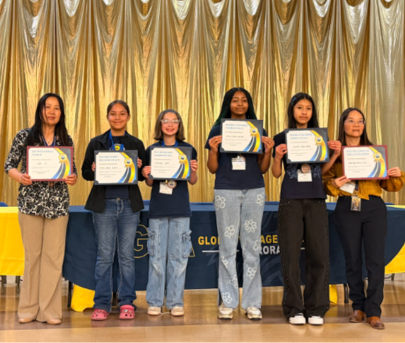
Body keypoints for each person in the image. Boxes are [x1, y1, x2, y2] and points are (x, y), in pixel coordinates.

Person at [323, 107, 405, 330]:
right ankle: (358, 307)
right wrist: (334, 183)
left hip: (374, 207)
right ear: (343, 125)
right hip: (346, 207)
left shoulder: (374, 152)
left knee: (376, 260)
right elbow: (325, 182)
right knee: (352, 260)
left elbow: (388, 185)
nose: (356, 125)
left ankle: (374, 311)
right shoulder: (335, 152)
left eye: (360, 121)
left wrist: (395, 175)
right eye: (351, 121)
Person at [4, 93, 77, 325]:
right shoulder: (25, 136)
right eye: (48, 107)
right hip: (29, 203)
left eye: (57, 108)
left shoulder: (66, 138)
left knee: (53, 258)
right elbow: (9, 166)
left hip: (58, 206)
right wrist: (21, 177)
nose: (52, 112)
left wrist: (72, 178)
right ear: (40, 109)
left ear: (61, 113)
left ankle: (50, 311)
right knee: (32, 257)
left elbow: (71, 171)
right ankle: (28, 308)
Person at [271, 92, 340, 326]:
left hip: (317, 200)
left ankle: (317, 307)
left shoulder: (320, 136)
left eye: (308, 108)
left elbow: (322, 170)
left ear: (313, 112)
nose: (304, 112)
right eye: (299, 107)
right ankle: (294, 309)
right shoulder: (282, 137)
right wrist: (277, 157)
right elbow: (276, 174)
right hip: (290, 199)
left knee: (319, 254)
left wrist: (336, 155)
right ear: (292, 111)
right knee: (290, 256)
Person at [205, 87, 274, 320]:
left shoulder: (258, 130)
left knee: (252, 248)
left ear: (249, 104)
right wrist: (213, 149)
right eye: (235, 100)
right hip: (226, 191)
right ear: (228, 104)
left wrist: (268, 152)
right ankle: (228, 301)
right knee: (227, 248)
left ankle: (253, 303)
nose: (240, 104)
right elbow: (212, 168)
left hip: (254, 190)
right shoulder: (217, 130)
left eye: (244, 100)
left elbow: (263, 169)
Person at [81, 100, 146, 320]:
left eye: (122, 114)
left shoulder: (136, 143)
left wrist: (140, 169)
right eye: (113, 114)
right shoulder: (97, 142)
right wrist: (93, 169)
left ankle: (127, 302)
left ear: (128, 117)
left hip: (129, 205)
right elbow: (85, 173)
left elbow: (146, 177)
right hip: (104, 205)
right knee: (104, 257)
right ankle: (101, 304)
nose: (117, 118)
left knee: (127, 257)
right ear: (107, 117)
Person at [141, 109, 198, 317]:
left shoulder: (188, 149)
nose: (170, 124)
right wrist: (146, 174)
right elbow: (149, 183)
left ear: (179, 125)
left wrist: (193, 170)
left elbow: (192, 181)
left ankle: (175, 301)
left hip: (181, 210)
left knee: (179, 258)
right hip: (158, 210)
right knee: (156, 257)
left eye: (174, 121)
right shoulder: (152, 150)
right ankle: (155, 301)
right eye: (166, 120)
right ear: (160, 124)